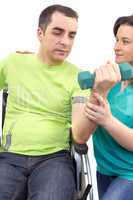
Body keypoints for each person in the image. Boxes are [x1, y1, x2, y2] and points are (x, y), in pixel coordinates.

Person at [0, 4, 120, 200]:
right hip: (9, 157)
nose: (65, 41)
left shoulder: (78, 77)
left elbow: (80, 136)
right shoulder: (13, 62)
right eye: (58, 32)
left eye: (71, 35)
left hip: (53, 159)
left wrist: (99, 92)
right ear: (40, 33)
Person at [84, 15, 133, 200]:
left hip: (130, 174)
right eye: (117, 40)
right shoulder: (109, 79)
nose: (116, 47)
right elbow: (85, 127)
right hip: (105, 169)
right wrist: (99, 91)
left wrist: (107, 120)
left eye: (125, 42)